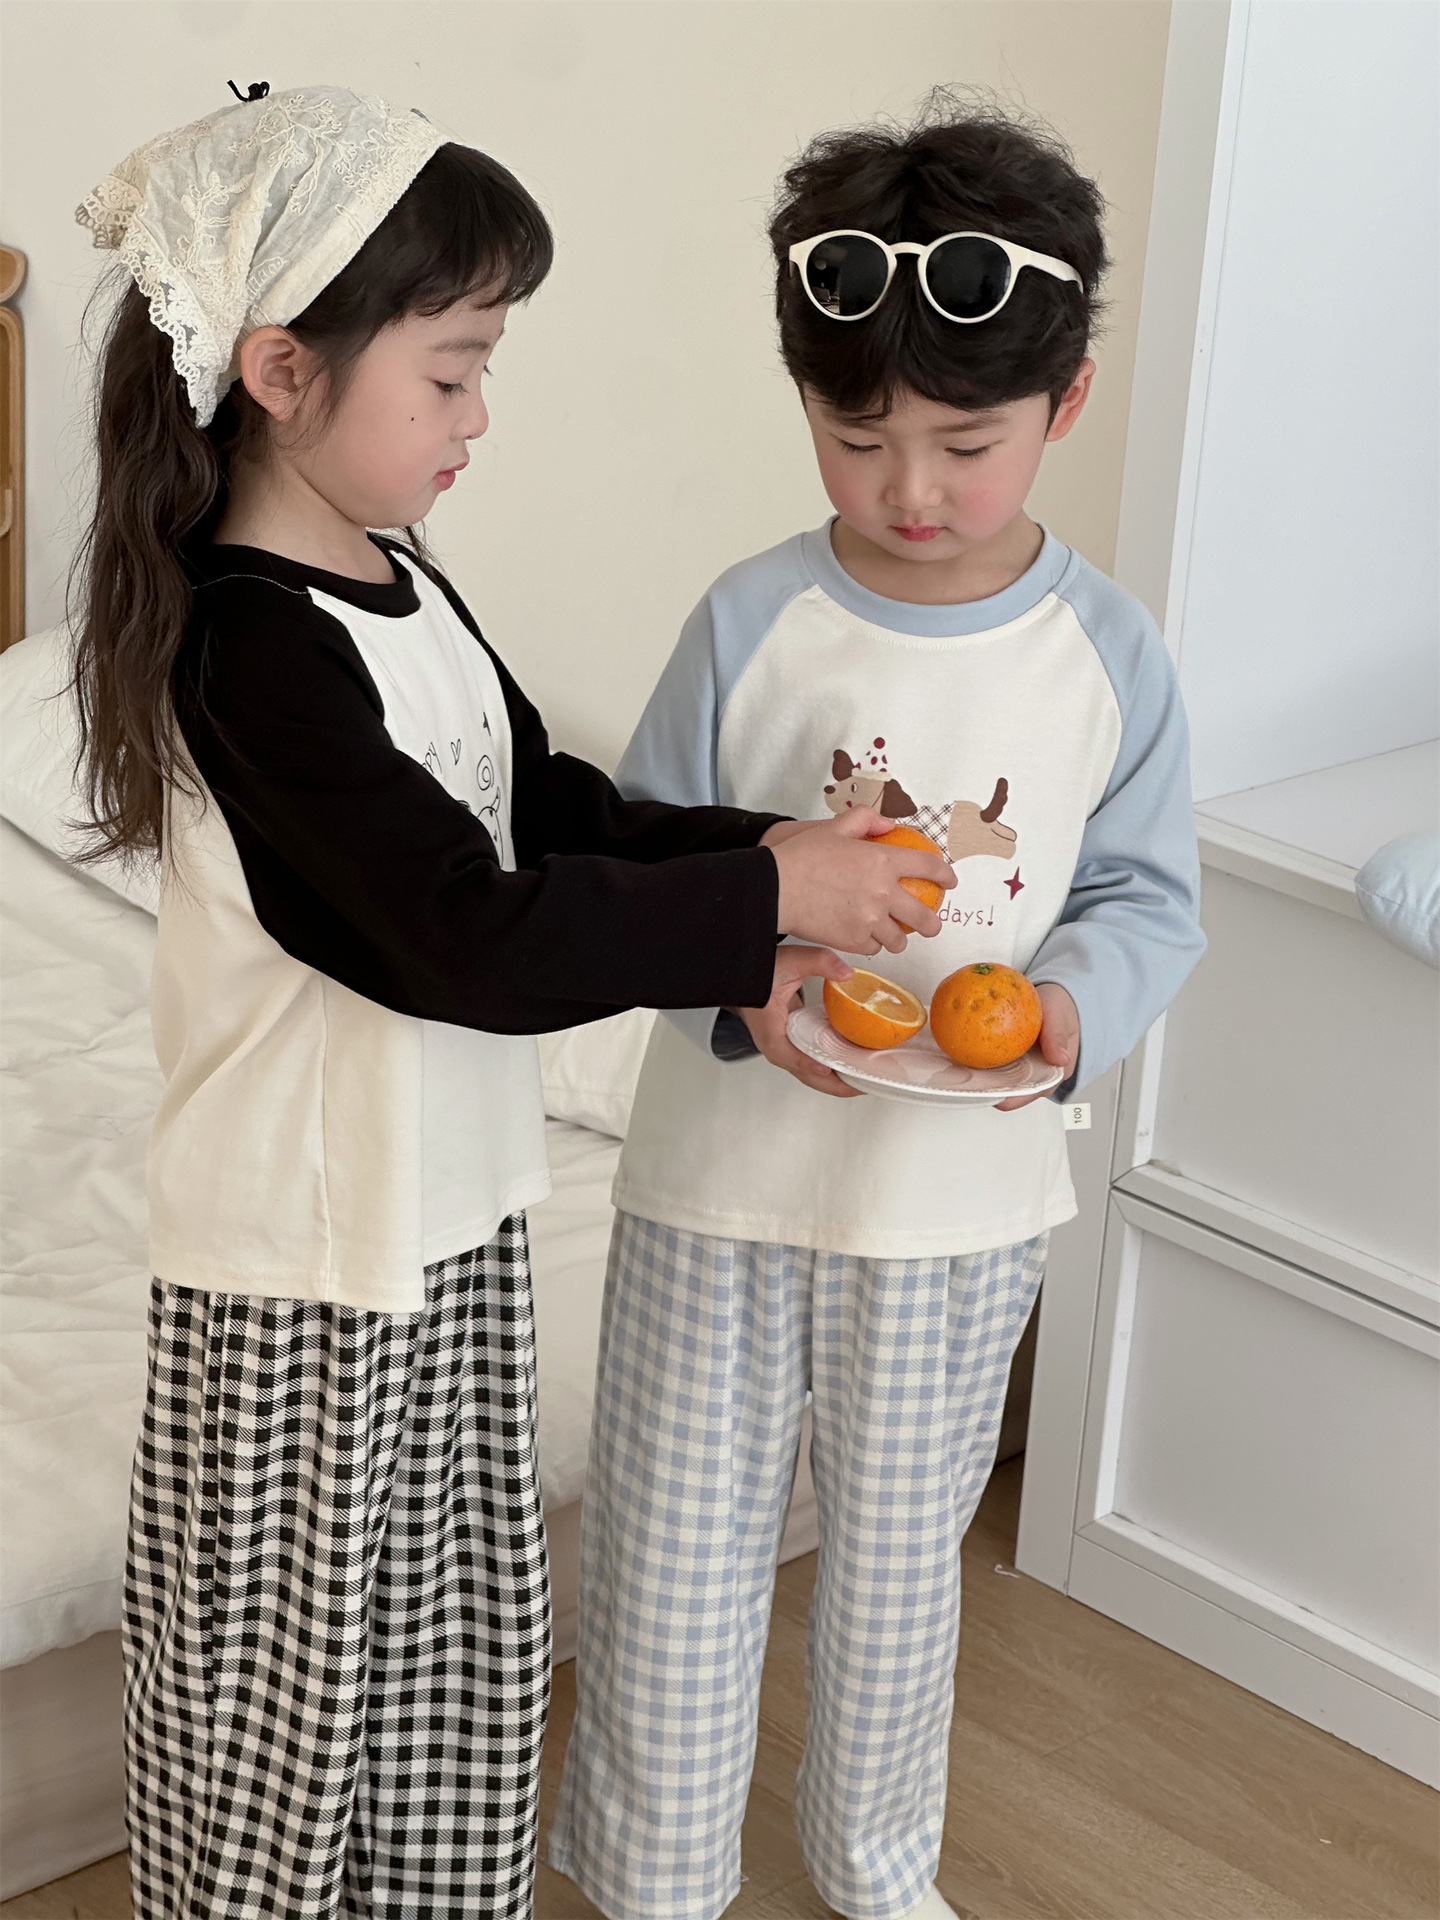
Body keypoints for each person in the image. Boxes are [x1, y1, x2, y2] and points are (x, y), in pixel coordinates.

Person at [69, 85, 951, 1920]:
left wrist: (772, 860)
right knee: (281, 1729)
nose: (481, 416)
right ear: (282, 371)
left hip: (450, 1229)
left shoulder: (393, 578)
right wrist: (760, 906)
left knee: (447, 1679)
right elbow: (457, 934)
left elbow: (543, 808)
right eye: (454, 372)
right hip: (306, 1268)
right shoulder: (249, 646)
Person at [551, 97, 1206, 1920]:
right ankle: (653, 1873)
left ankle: (876, 1864)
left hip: (958, 1207)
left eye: (965, 445)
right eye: (859, 439)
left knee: (904, 1567)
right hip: (720, 1185)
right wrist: (744, 991)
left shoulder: (1109, 656)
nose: (911, 489)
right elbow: (646, 861)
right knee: (674, 1560)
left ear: (1066, 405)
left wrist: (1064, 1006)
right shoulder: (754, 616)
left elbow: (1149, 898)